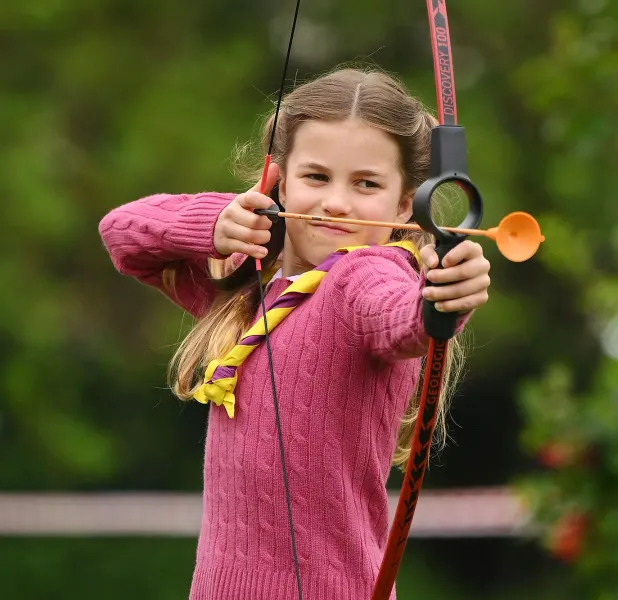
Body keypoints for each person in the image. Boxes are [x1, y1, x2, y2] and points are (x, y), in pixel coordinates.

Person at [98, 67, 492, 600]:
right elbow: (122, 234)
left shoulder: (364, 275)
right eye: (316, 177)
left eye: (366, 184)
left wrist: (445, 298)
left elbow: (401, 319)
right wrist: (218, 222)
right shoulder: (246, 288)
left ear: (406, 206)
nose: (335, 201)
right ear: (278, 181)